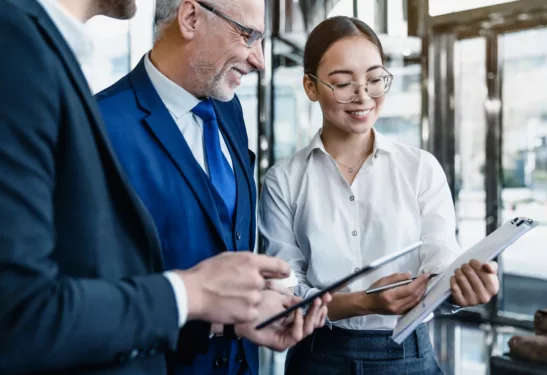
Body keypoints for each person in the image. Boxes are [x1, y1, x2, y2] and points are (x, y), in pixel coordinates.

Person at [0, 1, 326, 374]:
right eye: (249, 35)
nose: (260, 60)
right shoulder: (101, 123)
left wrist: (244, 311)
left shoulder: (229, 110)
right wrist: (194, 296)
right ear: (190, 18)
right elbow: (57, 300)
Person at [258, 16, 500, 375]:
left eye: (374, 79)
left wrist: (460, 286)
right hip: (319, 356)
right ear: (310, 87)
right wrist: (360, 303)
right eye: (343, 83)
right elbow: (286, 296)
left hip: (409, 355)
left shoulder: (421, 168)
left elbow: (438, 260)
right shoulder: (284, 180)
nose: (363, 95)